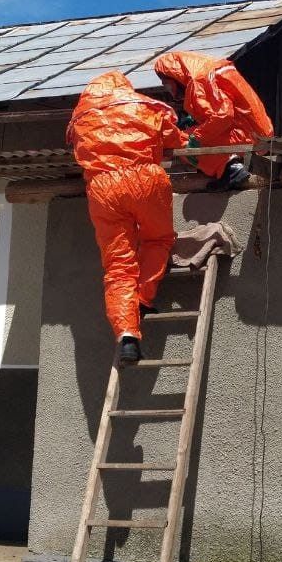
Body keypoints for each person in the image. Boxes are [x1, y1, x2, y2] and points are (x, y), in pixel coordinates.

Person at [67, 71, 186, 365]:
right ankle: (143, 299)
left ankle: (127, 335)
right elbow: (176, 139)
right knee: (158, 239)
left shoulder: (80, 116)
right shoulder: (145, 105)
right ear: (124, 87)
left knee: (118, 266)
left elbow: (76, 150)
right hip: (144, 177)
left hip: (102, 187)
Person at [153, 50, 274, 189]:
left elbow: (223, 116)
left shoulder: (199, 80)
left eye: (166, 83)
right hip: (254, 132)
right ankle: (220, 166)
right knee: (193, 134)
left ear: (174, 75)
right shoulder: (212, 69)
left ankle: (230, 168)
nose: (169, 89)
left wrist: (196, 138)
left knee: (180, 139)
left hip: (245, 135)